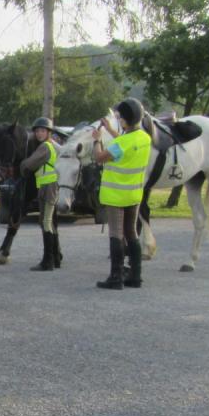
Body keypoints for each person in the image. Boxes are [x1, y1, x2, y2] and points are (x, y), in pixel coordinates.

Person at [92, 98, 151, 290]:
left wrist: (97, 140)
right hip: (133, 194)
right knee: (131, 233)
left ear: (125, 120)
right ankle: (136, 276)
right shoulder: (144, 138)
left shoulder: (122, 143)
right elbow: (125, 144)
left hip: (116, 194)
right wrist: (110, 130)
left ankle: (115, 277)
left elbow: (100, 158)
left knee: (116, 234)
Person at [23, 117, 61, 271]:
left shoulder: (45, 147)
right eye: (37, 131)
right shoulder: (51, 145)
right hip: (47, 186)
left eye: (42, 131)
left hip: (48, 187)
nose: (39, 133)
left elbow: (30, 163)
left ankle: (48, 261)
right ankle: (55, 258)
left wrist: (21, 165)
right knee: (48, 221)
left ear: (48, 132)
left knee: (46, 222)